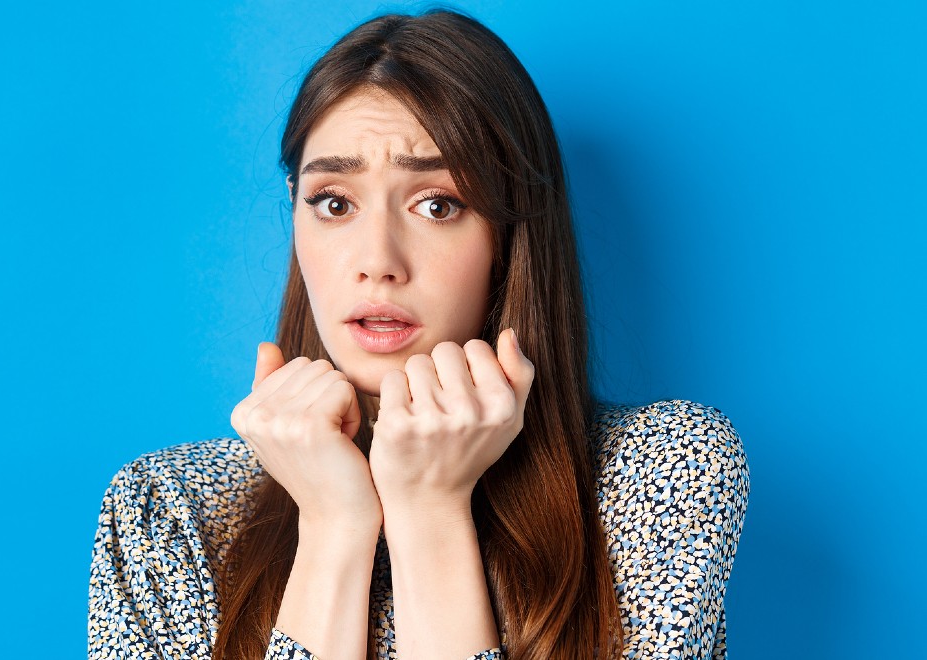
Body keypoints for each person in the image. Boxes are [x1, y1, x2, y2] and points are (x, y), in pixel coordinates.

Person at [88, 9, 749, 660]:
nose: (377, 260)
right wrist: (332, 526)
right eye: (335, 203)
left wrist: (431, 510)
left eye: (437, 204)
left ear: (507, 238)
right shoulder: (167, 513)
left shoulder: (661, 472)